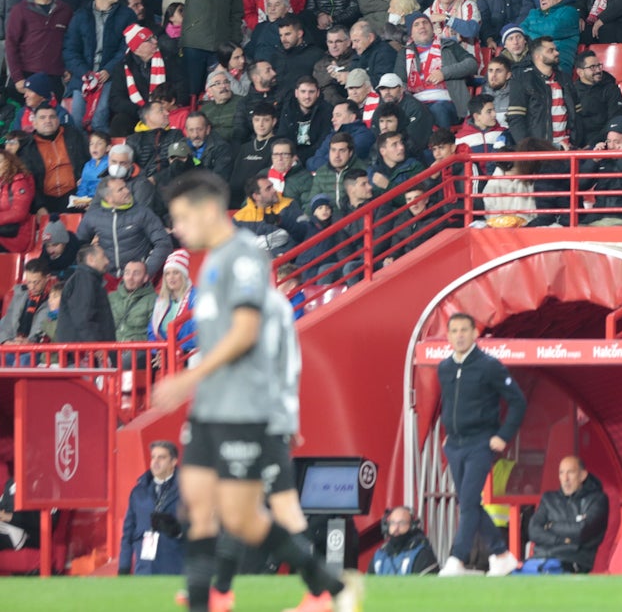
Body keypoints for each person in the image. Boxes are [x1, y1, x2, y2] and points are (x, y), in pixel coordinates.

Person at [146, 172, 356, 612]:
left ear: (207, 211)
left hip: (244, 409)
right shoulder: (216, 262)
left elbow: (245, 332)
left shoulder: (242, 258)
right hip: (211, 407)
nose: (178, 230)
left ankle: (328, 589)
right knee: (199, 507)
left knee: (243, 516)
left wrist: (188, 377)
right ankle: (206, 600)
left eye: (183, 218)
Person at [434, 312, 528, 577]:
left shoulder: (489, 366)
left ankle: (457, 559)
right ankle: (501, 554)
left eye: (465, 330)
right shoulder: (444, 368)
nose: (460, 335)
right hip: (454, 445)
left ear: (475, 333)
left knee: (468, 502)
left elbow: (518, 401)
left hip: (480, 443)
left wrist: (503, 435)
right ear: (449, 335)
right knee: (469, 503)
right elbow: (450, 404)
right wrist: (446, 435)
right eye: (454, 331)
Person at [524, 456, 608, 574]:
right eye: (561, 473)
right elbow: (533, 531)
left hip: (573, 561)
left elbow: (582, 530)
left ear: (583, 475)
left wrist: (551, 525)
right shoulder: (549, 498)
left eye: (571, 472)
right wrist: (560, 540)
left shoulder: (597, 499)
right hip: (539, 559)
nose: (565, 478)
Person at [118, 439, 183, 576]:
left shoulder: (188, 490)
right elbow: (128, 533)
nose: (155, 461)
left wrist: (178, 530)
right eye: (153, 457)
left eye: (161, 457)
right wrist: (124, 566)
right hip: (144, 569)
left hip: (175, 568)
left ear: (173, 461)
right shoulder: (138, 492)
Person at [368, 506, 438, 576]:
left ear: (412, 526)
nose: (396, 528)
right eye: (392, 523)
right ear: (387, 526)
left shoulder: (422, 554)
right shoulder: (379, 556)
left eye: (402, 523)